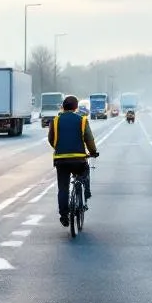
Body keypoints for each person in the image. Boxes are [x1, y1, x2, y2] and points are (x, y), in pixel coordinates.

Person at [48, 95, 99, 227]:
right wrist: (93, 152)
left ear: (63, 107)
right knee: (84, 172)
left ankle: (64, 215)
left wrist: (59, 148)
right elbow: (89, 139)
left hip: (61, 160)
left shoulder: (56, 120)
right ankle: (85, 194)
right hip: (78, 159)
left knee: (63, 188)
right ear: (76, 107)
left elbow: (51, 139)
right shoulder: (82, 120)